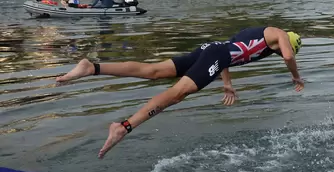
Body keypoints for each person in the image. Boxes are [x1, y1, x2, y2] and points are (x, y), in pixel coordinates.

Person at [54, 26, 304, 159]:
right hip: (215, 54)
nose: (278, 51)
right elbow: (289, 56)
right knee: (177, 93)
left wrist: (226, 83)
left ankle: (92, 68)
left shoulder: (256, 35)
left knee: (152, 71)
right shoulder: (278, 33)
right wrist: (295, 75)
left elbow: (226, 51)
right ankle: (124, 127)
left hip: (211, 50)